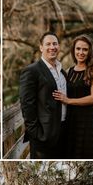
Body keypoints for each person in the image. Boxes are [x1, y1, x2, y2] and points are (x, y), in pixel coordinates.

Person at [53, 34, 93, 159]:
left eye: (85, 49)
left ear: (90, 51)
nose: (81, 52)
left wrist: (68, 100)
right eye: (78, 49)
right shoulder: (69, 71)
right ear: (73, 50)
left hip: (87, 122)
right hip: (70, 121)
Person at [20, 31, 67, 159]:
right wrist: (36, 133)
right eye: (48, 44)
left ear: (59, 46)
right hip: (44, 135)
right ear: (41, 47)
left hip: (64, 131)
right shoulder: (32, 71)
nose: (52, 47)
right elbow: (27, 104)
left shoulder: (62, 71)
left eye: (55, 44)